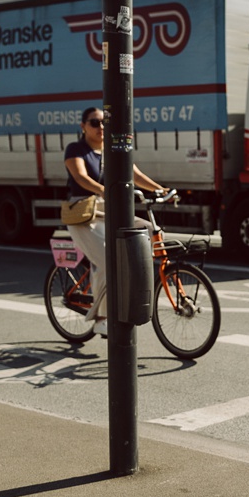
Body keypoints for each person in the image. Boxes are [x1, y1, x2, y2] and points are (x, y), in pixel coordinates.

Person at [63, 107, 169, 336]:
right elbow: (80, 176)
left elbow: (134, 174)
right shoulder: (76, 149)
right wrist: (104, 190)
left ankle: (127, 285)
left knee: (149, 230)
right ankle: (101, 317)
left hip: (110, 209)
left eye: (104, 123)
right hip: (84, 213)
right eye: (94, 122)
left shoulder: (112, 150)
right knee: (107, 260)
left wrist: (161, 189)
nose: (101, 127)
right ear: (83, 126)